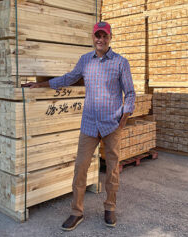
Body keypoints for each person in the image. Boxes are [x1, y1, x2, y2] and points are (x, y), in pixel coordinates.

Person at [25, 22, 135, 230]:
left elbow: (129, 92)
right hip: (89, 124)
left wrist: (125, 115)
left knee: (112, 169)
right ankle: (77, 212)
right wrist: (40, 84)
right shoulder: (85, 61)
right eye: (97, 36)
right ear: (92, 38)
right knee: (80, 168)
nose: (100, 39)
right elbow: (69, 78)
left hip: (112, 124)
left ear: (110, 37)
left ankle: (110, 207)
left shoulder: (121, 63)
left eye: (104, 36)